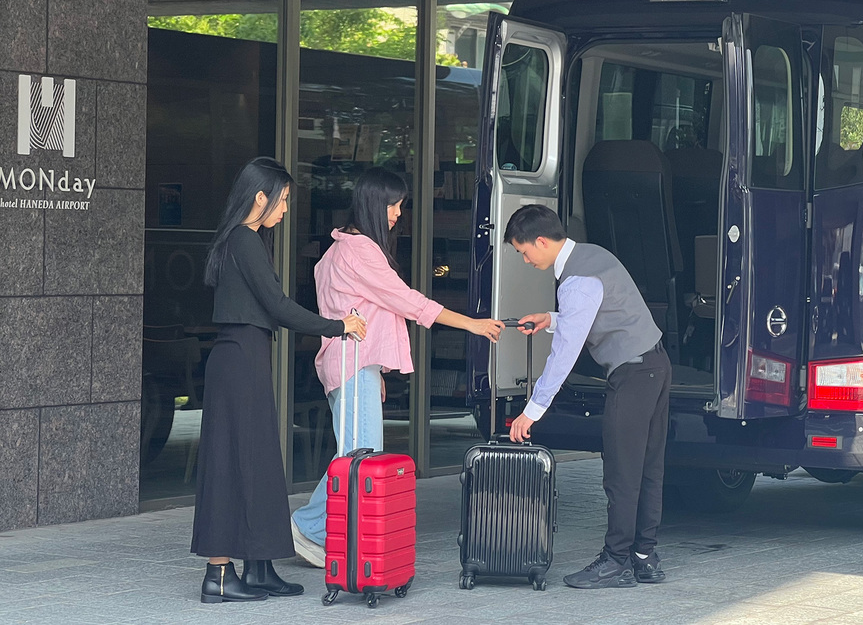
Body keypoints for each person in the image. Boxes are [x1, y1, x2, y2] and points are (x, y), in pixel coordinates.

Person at [290, 167, 504, 567]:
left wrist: (378, 370)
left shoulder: (336, 250)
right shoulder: (360, 252)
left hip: (351, 364)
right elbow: (407, 301)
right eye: (393, 205)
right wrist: (471, 323)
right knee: (359, 456)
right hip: (353, 365)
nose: (397, 214)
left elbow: (368, 308)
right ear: (375, 204)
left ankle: (315, 527)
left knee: (355, 454)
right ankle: (309, 526)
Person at [191, 157, 368, 604]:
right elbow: (278, 305)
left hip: (244, 357)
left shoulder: (247, 240)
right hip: (239, 360)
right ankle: (219, 575)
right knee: (233, 462)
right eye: (284, 199)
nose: (287, 209)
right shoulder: (244, 240)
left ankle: (260, 565)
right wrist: (338, 325)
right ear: (260, 198)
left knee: (260, 461)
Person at [504, 204, 672, 589]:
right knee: (647, 468)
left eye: (524, 251)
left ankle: (615, 561)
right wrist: (551, 318)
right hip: (655, 366)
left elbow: (565, 353)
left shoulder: (576, 281)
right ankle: (645, 557)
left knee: (621, 473)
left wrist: (532, 411)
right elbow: (595, 312)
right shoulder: (594, 255)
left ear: (541, 241)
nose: (525, 259)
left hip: (631, 374)